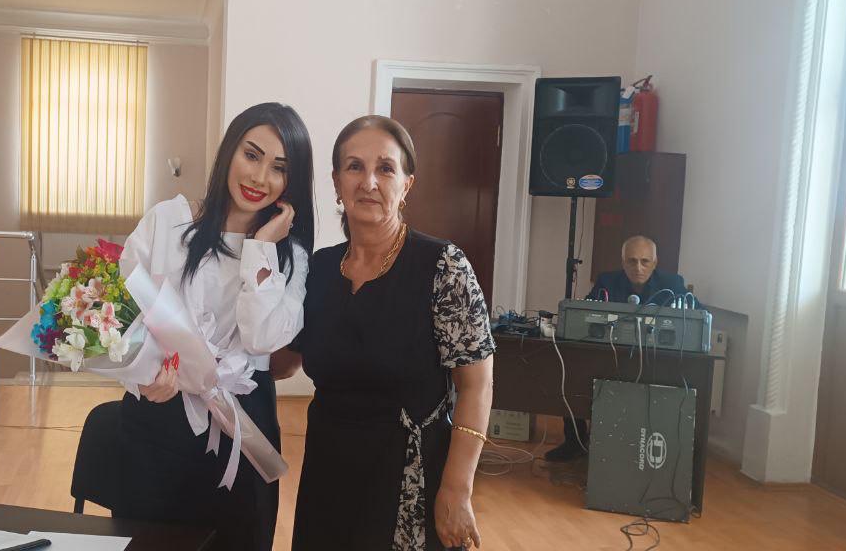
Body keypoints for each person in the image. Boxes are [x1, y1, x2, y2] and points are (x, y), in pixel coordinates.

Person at [286, 116, 495, 550]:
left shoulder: (443, 267)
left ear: (407, 184)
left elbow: (476, 385)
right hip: (328, 473)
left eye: (385, 168)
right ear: (336, 182)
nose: (369, 182)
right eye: (354, 167)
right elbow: (282, 362)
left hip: (409, 481)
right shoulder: (318, 270)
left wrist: (457, 489)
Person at [114, 102, 314, 551]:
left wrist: (261, 248)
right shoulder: (168, 220)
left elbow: (262, 338)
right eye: (252, 155)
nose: (259, 177)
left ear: (292, 181)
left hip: (243, 417)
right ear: (230, 151)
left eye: (279, 168)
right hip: (159, 410)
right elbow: (123, 314)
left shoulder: (291, 257)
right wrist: (142, 377)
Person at [544, 234, 699, 462]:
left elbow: (697, 314)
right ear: (623, 262)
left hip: (655, 361)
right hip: (609, 356)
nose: (638, 267)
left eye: (645, 261)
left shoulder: (673, 284)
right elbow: (584, 312)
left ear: (655, 263)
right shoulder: (607, 282)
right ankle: (574, 441)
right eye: (632, 261)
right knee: (572, 371)